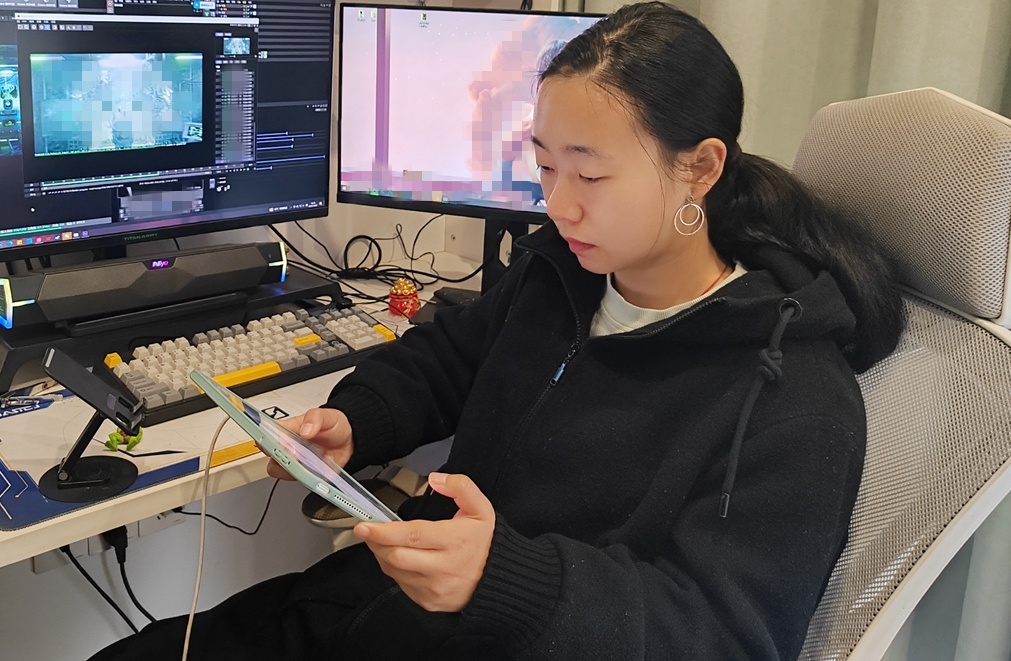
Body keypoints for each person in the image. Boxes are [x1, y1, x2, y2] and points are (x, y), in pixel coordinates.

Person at [90, 3, 904, 659]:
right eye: (545, 166)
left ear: (699, 167)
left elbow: (723, 635)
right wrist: (356, 420)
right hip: (394, 612)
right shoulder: (563, 271)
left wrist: (506, 581)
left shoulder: (794, 399)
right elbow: (454, 355)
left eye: (589, 173)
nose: (559, 202)